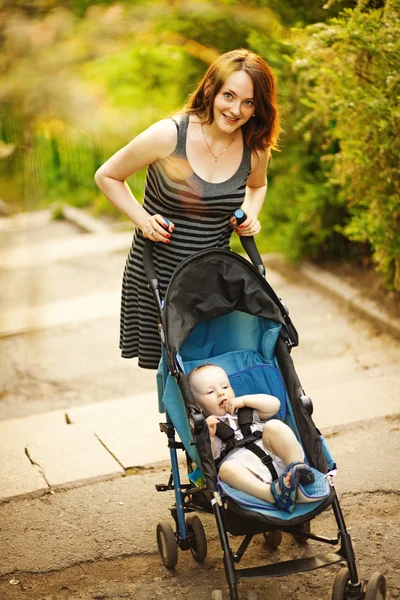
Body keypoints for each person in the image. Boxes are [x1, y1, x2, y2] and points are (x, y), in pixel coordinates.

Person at [94, 48, 280, 369]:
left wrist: (250, 213)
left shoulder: (255, 150)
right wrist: (142, 219)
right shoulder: (169, 135)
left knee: (216, 368)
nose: (236, 110)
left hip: (212, 281)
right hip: (158, 274)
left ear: (258, 107)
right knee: (174, 371)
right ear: (211, 89)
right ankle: (178, 421)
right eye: (229, 96)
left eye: (248, 102)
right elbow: (107, 175)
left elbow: (257, 185)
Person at [188, 364, 316, 513]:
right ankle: (273, 494)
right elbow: (206, 459)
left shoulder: (246, 411)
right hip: (250, 476)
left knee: (274, 425)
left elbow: (275, 405)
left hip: (278, 459)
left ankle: (297, 467)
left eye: (225, 387)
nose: (220, 394)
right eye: (210, 391)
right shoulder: (206, 427)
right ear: (198, 405)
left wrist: (243, 401)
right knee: (226, 469)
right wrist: (207, 436)